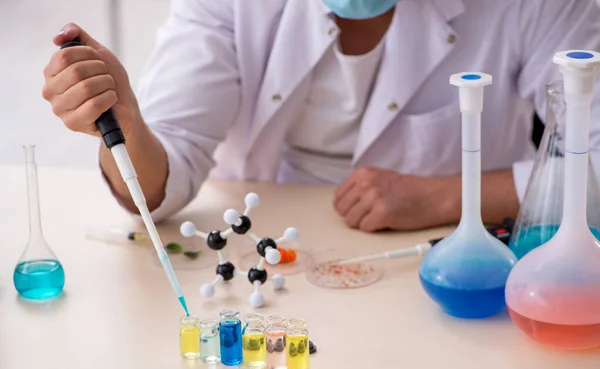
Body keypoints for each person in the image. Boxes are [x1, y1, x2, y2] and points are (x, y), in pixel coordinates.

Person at [42, 0, 600, 232]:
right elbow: (162, 182)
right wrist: (127, 124)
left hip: (450, 256)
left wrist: (449, 196)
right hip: (271, 254)